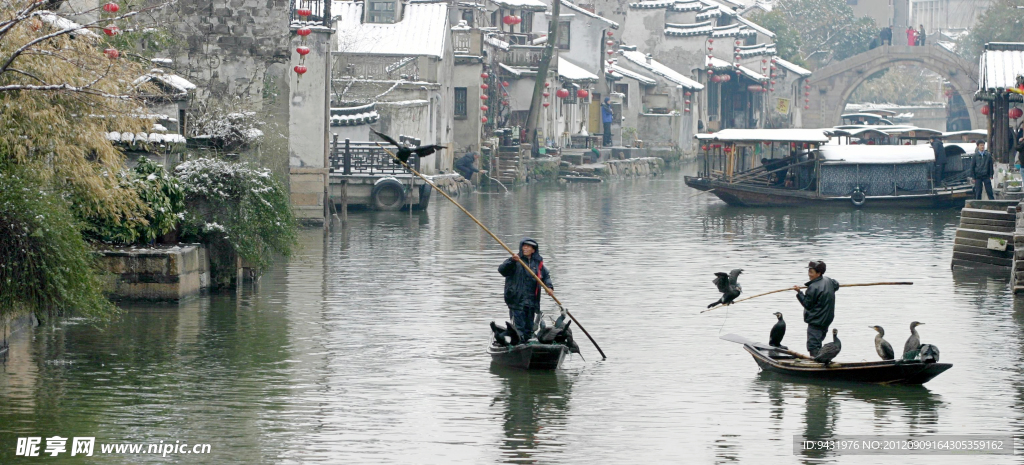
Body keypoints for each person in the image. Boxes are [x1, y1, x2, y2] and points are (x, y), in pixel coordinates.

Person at [498, 238, 553, 343]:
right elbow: (502, 270)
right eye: (524, 246)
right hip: (517, 301)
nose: (525, 248)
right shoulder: (515, 261)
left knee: (529, 328)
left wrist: (549, 287)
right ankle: (519, 346)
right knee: (519, 328)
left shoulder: (538, 264)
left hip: (531, 302)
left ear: (533, 250)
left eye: (528, 246)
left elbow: (546, 276)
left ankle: (528, 343)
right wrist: (511, 261)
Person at [792, 261, 839, 357]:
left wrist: (799, 292)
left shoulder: (813, 287)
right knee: (818, 342)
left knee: (813, 346)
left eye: (811, 272)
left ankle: (817, 364)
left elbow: (807, 304)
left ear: (818, 273)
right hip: (826, 320)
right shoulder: (829, 280)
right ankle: (821, 359)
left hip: (816, 322)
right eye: (809, 271)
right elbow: (836, 284)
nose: (809, 274)